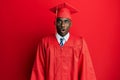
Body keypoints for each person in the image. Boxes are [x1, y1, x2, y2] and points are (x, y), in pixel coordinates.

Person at [31, 2, 96, 80]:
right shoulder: (45, 43)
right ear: (55, 23)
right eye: (59, 21)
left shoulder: (79, 43)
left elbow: (86, 72)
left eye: (66, 21)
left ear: (71, 24)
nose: (63, 25)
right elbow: (38, 71)